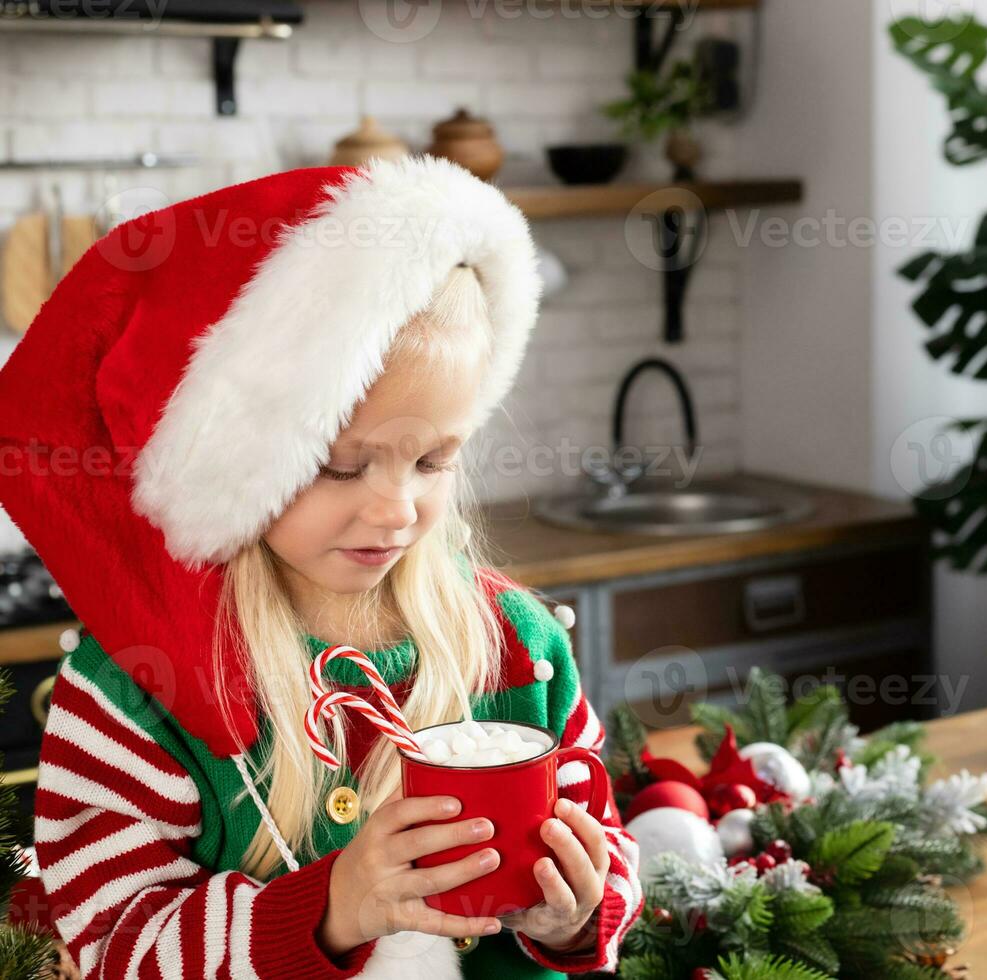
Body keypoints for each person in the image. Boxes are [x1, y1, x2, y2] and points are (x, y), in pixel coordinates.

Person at [0, 155, 643, 979]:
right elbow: (113, 944)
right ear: (235, 464)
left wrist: (575, 915)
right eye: (343, 467)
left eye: (433, 461)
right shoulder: (139, 687)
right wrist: (334, 906)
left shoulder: (517, 645)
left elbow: (605, 842)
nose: (395, 510)